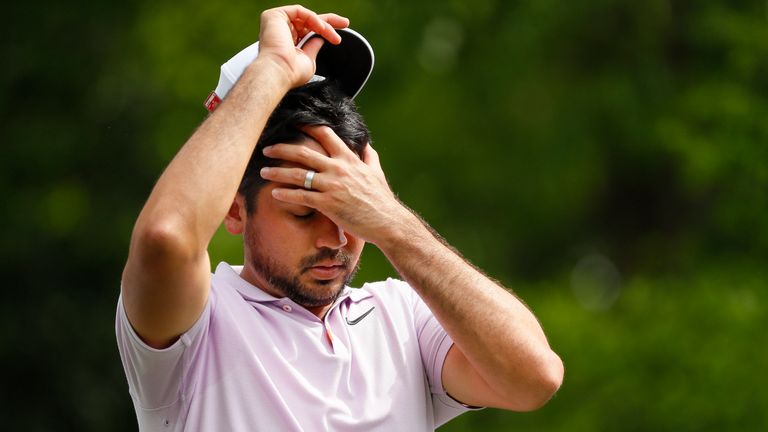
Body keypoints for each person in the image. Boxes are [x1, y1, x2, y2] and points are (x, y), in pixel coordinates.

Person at [116, 5, 564, 431]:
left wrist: (392, 221)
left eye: (349, 209)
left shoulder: (403, 316)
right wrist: (272, 70)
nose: (335, 238)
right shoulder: (200, 323)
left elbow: (535, 378)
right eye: (304, 212)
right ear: (235, 208)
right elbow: (165, 239)